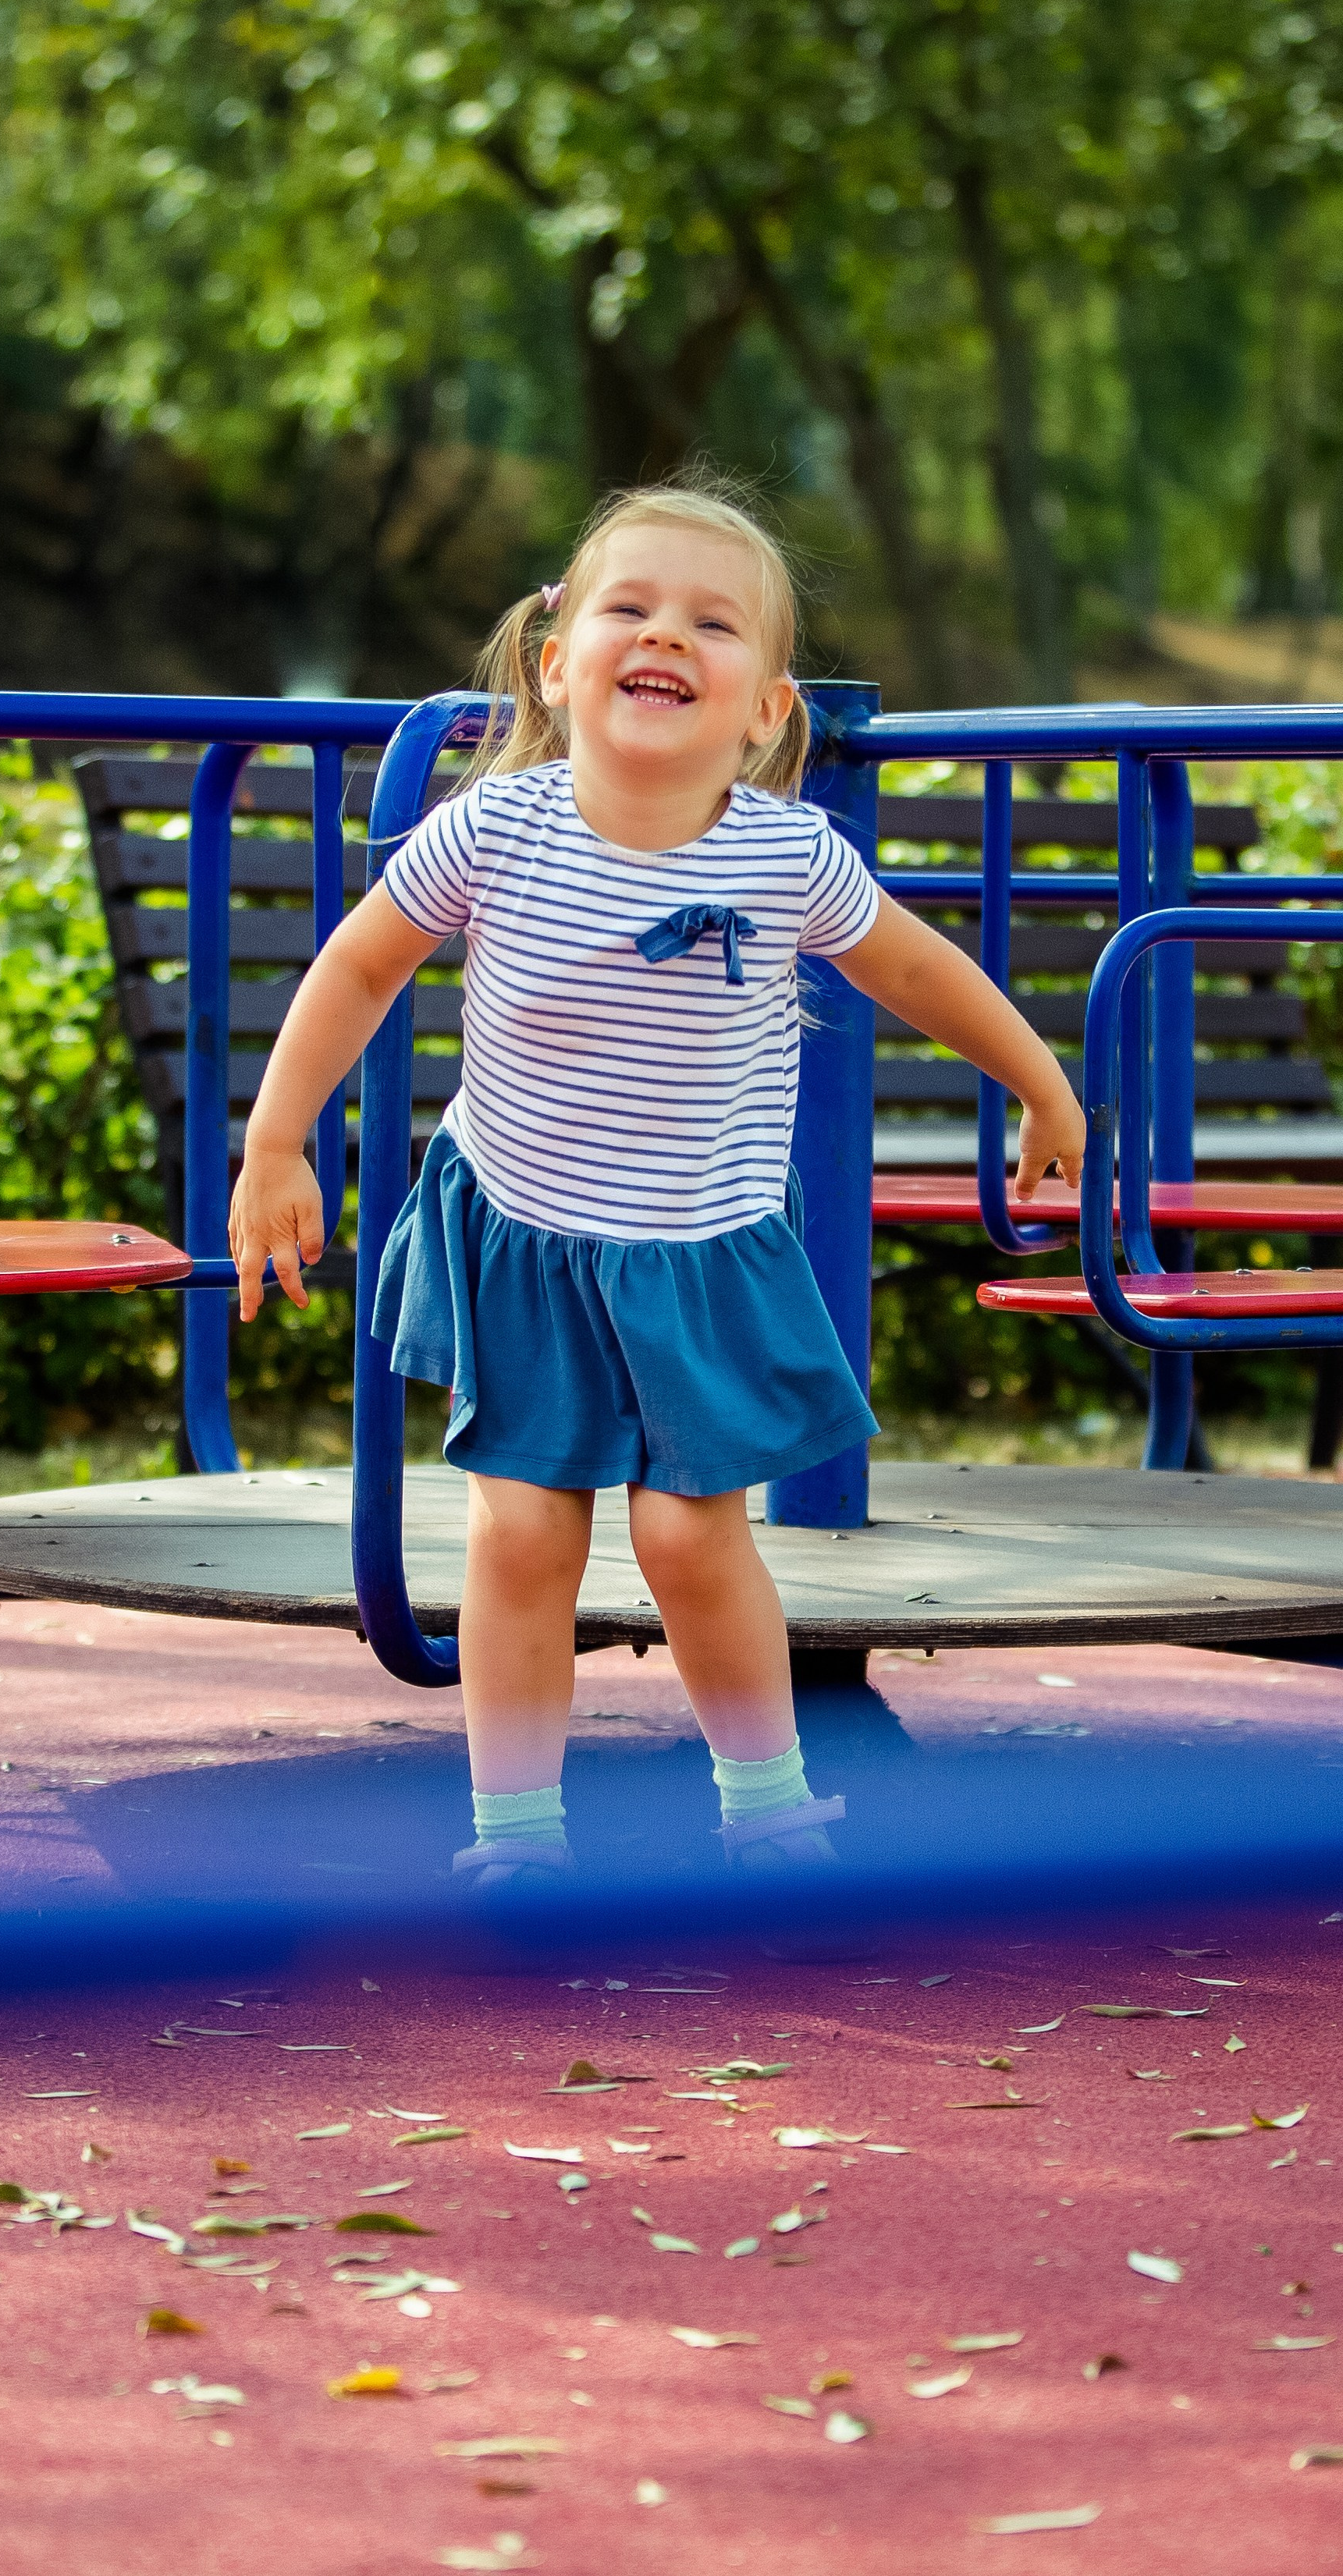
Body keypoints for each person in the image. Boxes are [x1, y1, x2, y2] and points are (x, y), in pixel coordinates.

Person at [229, 480, 1085, 1890]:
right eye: (628, 607)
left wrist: (1041, 1081)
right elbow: (361, 965)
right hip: (526, 1234)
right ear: (554, 665)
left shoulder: (785, 856)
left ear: (766, 708)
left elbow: (915, 967)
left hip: (700, 1246)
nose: (666, 634)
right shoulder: (495, 831)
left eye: (712, 622)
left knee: (690, 1536)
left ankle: (773, 1812)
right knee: (522, 1532)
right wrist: (277, 1142)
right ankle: (518, 1841)